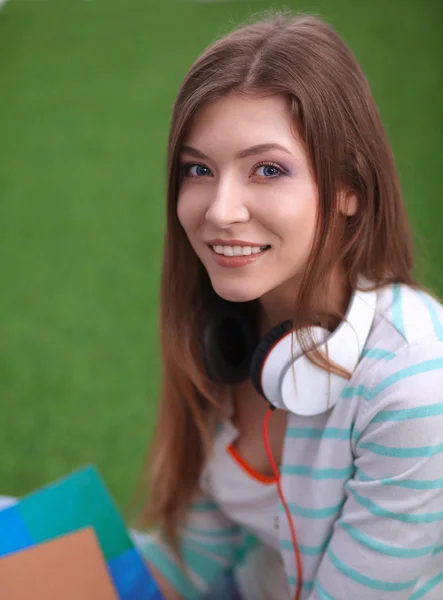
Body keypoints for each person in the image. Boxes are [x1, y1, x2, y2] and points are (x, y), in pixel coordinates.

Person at [135, 11, 443, 600]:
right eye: (199, 169)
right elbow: (194, 562)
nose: (220, 209)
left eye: (268, 169)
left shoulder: (413, 380)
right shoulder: (224, 336)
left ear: (350, 187)